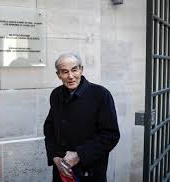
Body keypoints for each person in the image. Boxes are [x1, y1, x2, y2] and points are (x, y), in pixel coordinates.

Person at [44, 52, 120, 182]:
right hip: (62, 169)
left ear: (81, 69)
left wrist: (79, 155)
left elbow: (110, 135)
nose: (71, 76)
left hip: (90, 170)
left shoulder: (101, 95)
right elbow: (49, 129)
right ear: (58, 75)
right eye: (65, 72)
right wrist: (55, 157)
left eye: (74, 70)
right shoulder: (56, 94)